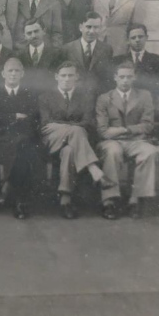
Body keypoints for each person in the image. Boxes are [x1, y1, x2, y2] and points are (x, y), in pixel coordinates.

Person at [38, 62, 113, 219]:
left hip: (75, 143)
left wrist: (65, 126)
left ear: (77, 77)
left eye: (70, 75)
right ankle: (94, 169)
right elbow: (46, 123)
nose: (66, 79)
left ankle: (65, 199)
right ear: (56, 77)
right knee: (77, 130)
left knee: (69, 150)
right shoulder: (45, 97)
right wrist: (73, 127)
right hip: (52, 138)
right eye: (63, 75)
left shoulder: (85, 97)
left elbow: (88, 122)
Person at [96, 61, 159, 220]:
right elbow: (103, 131)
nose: (125, 80)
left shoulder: (144, 96)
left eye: (129, 77)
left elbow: (148, 125)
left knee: (149, 152)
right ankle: (109, 200)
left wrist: (124, 129)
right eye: (122, 77)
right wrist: (122, 132)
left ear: (134, 78)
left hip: (136, 141)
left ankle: (135, 199)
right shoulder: (104, 98)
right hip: (111, 142)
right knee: (112, 152)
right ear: (115, 78)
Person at [0, 58, 40, 219]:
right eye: (10, 71)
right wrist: (14, 116)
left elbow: (33, 119)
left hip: (22, 138)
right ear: (3, 74)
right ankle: (15, 197)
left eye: (17, 71)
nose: (13, 74)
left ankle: (10, 193)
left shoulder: (30, 94)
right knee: (16, 150)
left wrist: (6, 119)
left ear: (22, 74)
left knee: (22, 149)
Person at [61, 12, 115, 98]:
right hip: (74, 97)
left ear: (100, 28)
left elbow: (108, 78)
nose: (92, 31)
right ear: (80, 27)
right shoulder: (67, 49)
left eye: (96, 27)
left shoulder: (107, 49)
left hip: (97, 96)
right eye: (88, 27)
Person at [112, 24, 159, 108]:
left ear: (146, 37)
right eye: (133, 38)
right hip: (124, 105)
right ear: (127, 40)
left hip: (148, 106)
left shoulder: (157, 60)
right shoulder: (118, 61)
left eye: (140, 37)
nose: (137, 40)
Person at [17, 18, 61, 95]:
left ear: (44, 31)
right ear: (24, 36)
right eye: (29, 33)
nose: (33, 36)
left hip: (49, 97)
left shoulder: (56, 54)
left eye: (36, 31)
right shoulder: (19, 56)